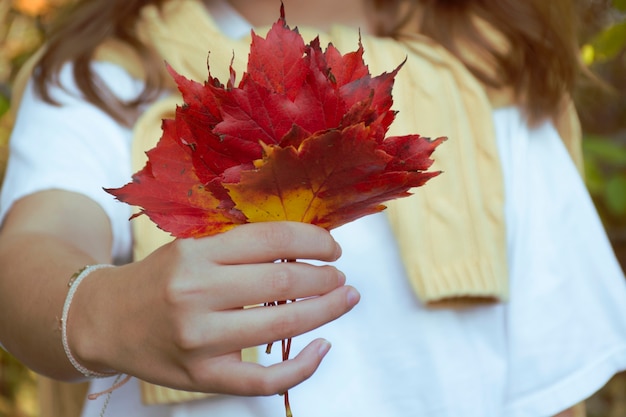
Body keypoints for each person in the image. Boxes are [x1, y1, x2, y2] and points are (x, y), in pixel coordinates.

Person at [0, 0, 625, 416]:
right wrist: (101, 311)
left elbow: (548, 386)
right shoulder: (103, 82)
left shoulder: (487, 87)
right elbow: (32, 246)